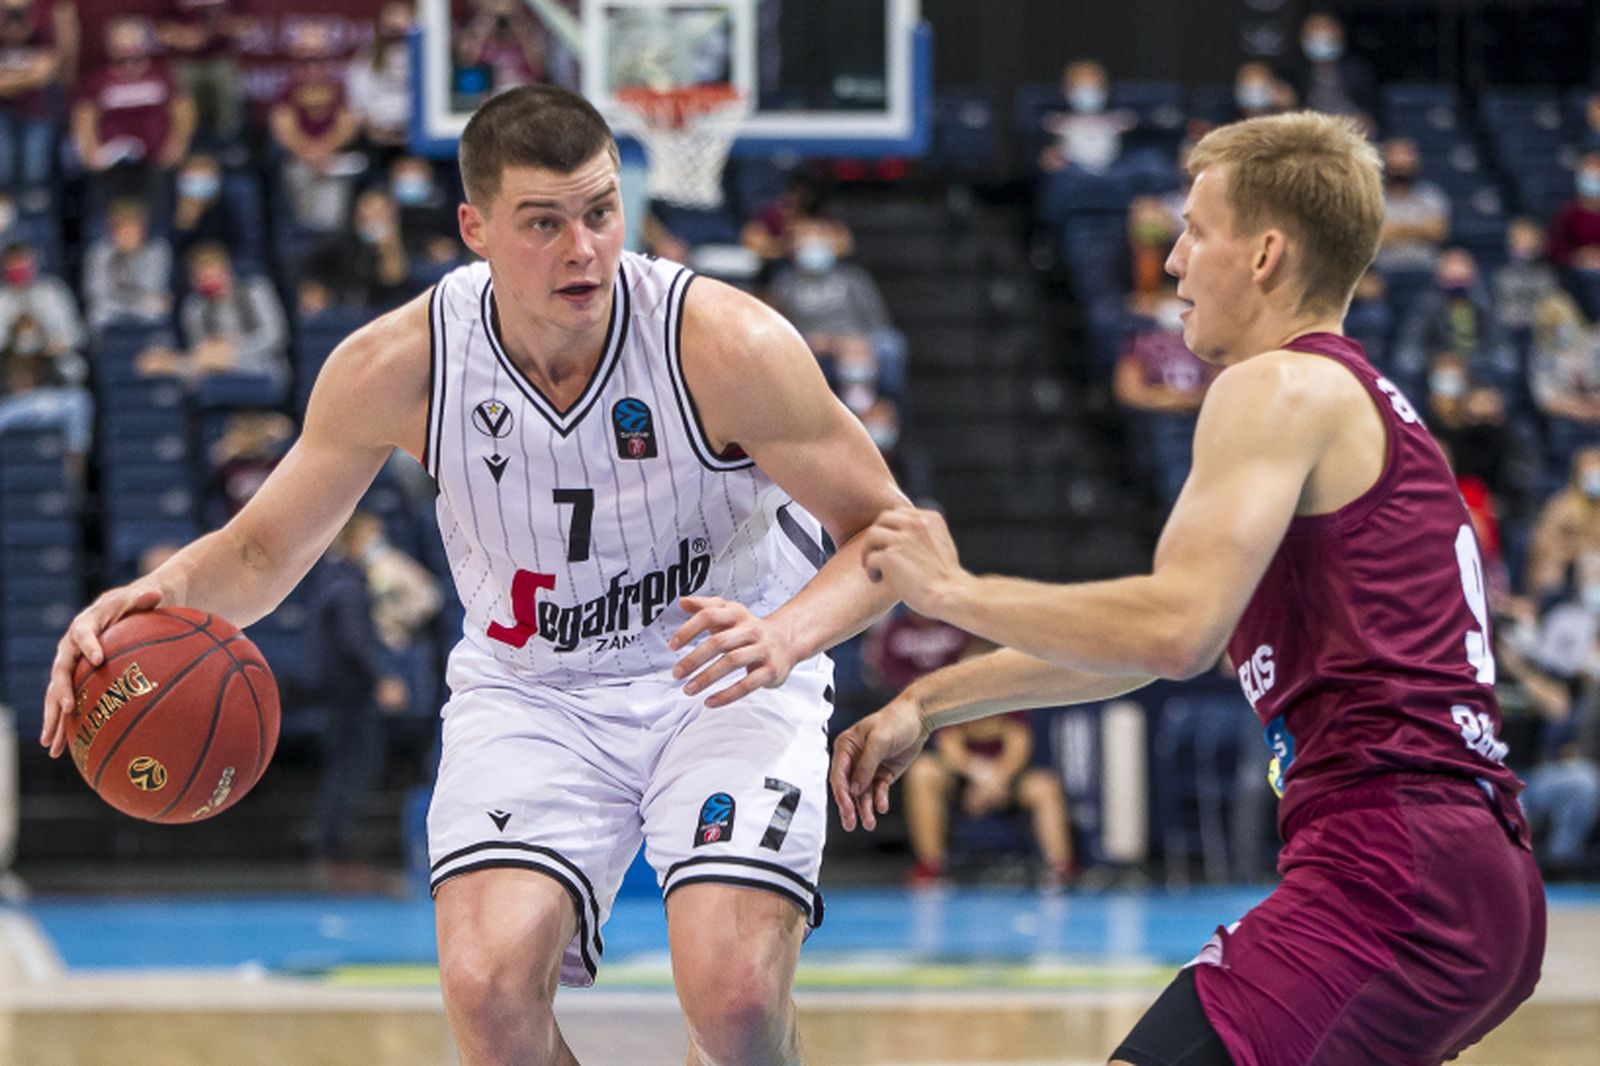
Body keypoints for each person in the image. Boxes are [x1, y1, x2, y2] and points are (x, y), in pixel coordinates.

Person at [40, 84, 905, 1066]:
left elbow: (888, 535)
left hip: (725, 674)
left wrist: (787, 635)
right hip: (534, 691)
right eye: (543, 223)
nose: (582, 248)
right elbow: (257, 554)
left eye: (599, 212)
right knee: (488, 995)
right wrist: (147, 602)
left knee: (735, 996)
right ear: (475, 228)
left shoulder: (723, 343)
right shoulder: (400, 363)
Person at [832, 111, 1544, 1066]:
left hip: (1393, 863)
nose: (1170, 262)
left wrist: (953, 591)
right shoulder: (1354, 401)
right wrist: (929, 701)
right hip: (1455, 861)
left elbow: (1171, 630)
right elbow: (1150, 644)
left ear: (1265, 254)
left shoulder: (1274, 389)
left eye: (1194, 231)